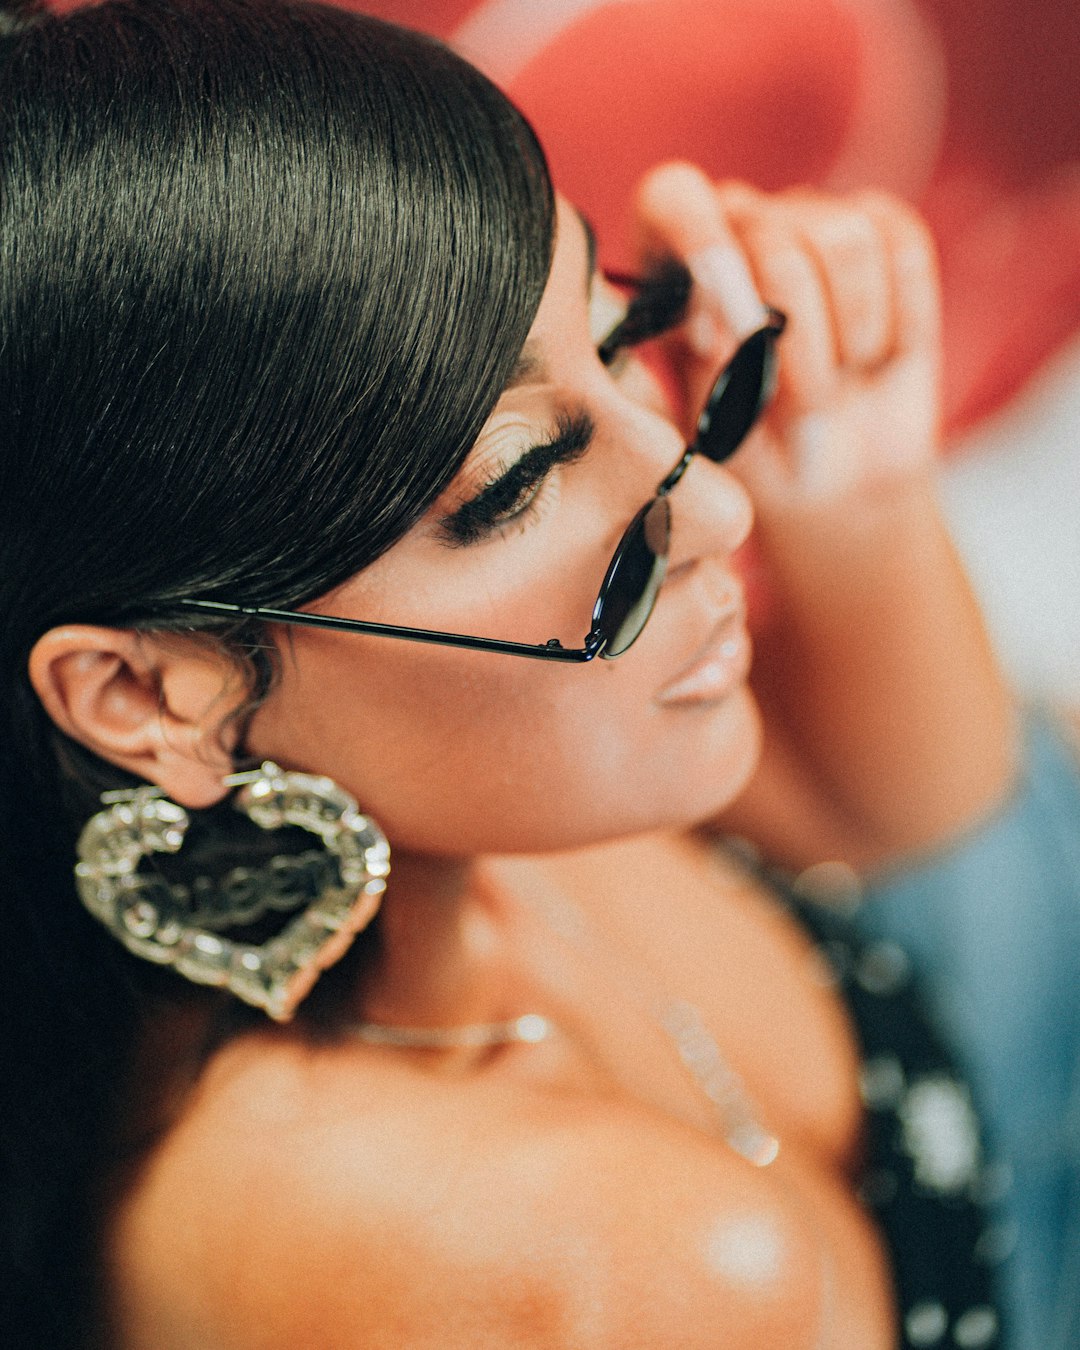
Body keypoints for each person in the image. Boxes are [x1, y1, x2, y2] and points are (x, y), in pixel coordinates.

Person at [0, 0, 1060, 1346]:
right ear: (151, 694)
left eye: (617, 336)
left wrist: (858, 496)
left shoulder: (460, 797)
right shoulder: (622, 1284)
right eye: (521, 479)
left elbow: (923, 851)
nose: (721, 515)